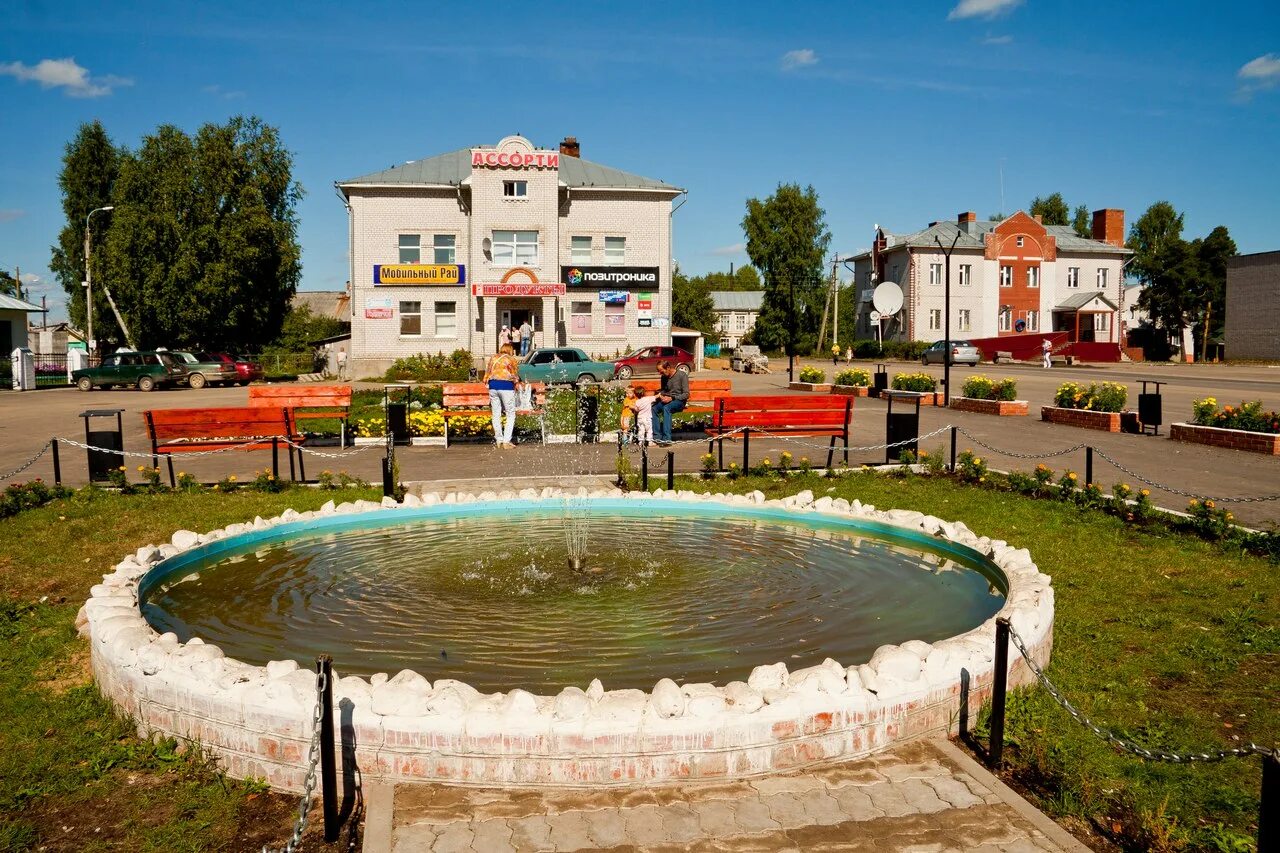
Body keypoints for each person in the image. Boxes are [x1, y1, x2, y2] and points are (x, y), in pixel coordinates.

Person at [483, 343, 520, 449]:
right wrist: (516, 382)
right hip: (506, 387)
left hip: (493, 387)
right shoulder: (511, 359)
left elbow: (487, 373)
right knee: (510, 414)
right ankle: (506, 441)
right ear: (510, 350)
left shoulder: (493, 358)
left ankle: (499, 440)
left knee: (496, 414)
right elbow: (514, 375)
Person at [651, 360, 688, 446]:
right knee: (654, 409)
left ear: (668, 368)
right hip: (667, 399)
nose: (660, 374)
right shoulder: (664, 377)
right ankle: (657, 437)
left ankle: (667, 439)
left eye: (661, 371)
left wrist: (672, 398)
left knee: (666, 408)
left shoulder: (682, 375)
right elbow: (664, 390)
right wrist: (661, 395)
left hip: (679, 401)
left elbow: (686, 394)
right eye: (659, 372)